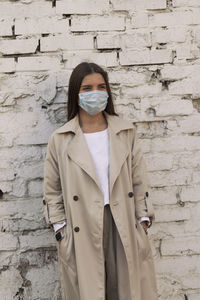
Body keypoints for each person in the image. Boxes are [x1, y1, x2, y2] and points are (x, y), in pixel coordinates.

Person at [43, 62, 158, 300]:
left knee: (127, 291)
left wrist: (142, 221)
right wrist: (60, 229)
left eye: (100, 86)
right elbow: (52, 190)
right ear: (76, 93)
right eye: (87, 88)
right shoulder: (61, 138)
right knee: (90, 292)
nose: (95, 92)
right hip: (81, 223)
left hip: (122, 220)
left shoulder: (125, 132)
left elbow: (139, 180)